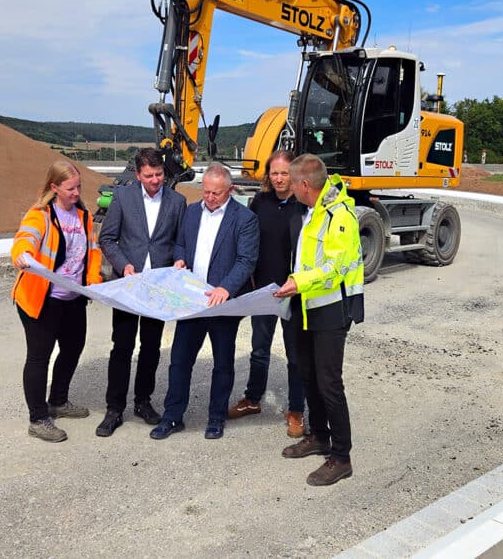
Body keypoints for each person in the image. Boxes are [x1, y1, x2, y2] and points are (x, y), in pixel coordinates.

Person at [150, 165, 259, 441]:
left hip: (223, 305)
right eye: (206, 192)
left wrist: (226, 288)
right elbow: (181, 244)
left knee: (222, 363)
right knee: (179, 361)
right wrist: (179, 260)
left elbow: (246, 260)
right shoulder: (192, 212)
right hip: (192, 302)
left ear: (230, 190)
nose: (210, 198)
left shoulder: (245, 218)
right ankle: (172, 417)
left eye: (216, 193)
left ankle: (216, 417)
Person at [273, 154, 364, 486]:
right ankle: (319, 436)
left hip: (331, 309)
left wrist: (299, 282)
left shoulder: (339, 216)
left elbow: (335, 268)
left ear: (304, 184)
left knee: (329, 383)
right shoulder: (313, 211)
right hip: (307, 304)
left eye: (292, 182)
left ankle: (341, 457)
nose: (288, 188)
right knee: (308, 374)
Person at [96, 147, 186, 437]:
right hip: (129, 285)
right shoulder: (122, 197)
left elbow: (180, 242)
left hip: (157, 289)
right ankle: (114, 408)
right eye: (148, 176)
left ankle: (143, 402)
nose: (155, 180)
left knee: (151, 347)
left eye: (159, 174)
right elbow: (107, 238)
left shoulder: (177, 201)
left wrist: (179, 260)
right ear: (137, 174)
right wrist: (123, 266)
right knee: (122, 346)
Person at [10, 161, 103, 442]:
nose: (77, 193)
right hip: (43, 299)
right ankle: (38, 418)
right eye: (70, 188)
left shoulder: (84, 216)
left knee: (73, 348)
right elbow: (25, 238)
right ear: (54, 187)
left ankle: (58, 401)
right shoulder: (40, 215)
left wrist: (93, 281)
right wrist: (23, 253)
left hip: (73, 298)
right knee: (39, 357)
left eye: (79, 187)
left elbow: (93, 251)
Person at [228, 151, 307, 438]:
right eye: (274, 173)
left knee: (295, 355)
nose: (279, 178)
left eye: (285, 173)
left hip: (295, 292)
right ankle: (253, 399)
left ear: (294, 174)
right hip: (263, 290)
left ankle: (296, 410)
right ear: (268, 175)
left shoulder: (304, 205)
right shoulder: (260, 202)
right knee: (259, 350)